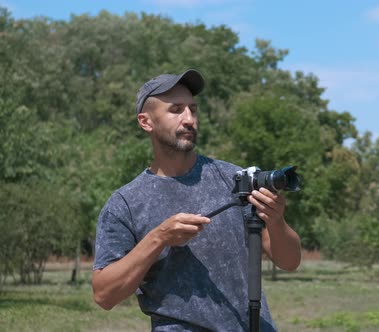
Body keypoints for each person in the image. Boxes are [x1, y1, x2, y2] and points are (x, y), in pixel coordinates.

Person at [92, 69, 302, 331]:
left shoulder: (233, 179)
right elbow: (104, 295)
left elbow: (290, 261)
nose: (189, 119)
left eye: (193, 109)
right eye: (176, 109)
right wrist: (159, 238)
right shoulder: (125, 203)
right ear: (146, 122)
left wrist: (276, 221)